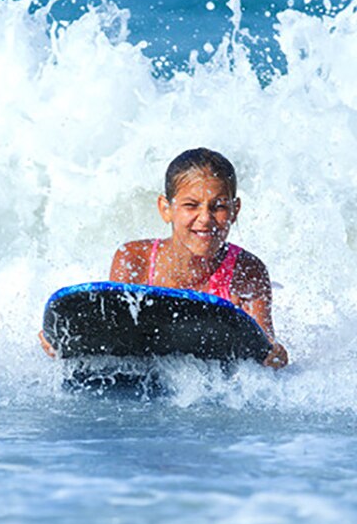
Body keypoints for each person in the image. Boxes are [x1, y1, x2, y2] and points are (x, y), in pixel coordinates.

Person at [106, 147, 287, 368]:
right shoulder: (134, 260)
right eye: (191, 205)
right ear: (166, 209)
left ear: (235, 210)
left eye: (219, 207)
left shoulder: (246, 271)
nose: (205, 218)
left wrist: (274, 357)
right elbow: (112, 334)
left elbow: (267, 352)